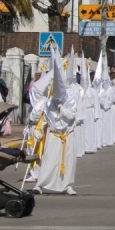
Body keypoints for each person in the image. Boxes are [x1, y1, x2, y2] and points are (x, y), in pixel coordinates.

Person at [34, 51, 78, 195]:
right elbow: (45, 118)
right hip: (54, 135)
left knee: (68, 161)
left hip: (67, 134)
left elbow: (72, 116)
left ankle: (68, 185)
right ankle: (41, 183)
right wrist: (38, 130)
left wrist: (62, 109)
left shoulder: (70, 101)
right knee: (49, 159)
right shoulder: (49, 102)